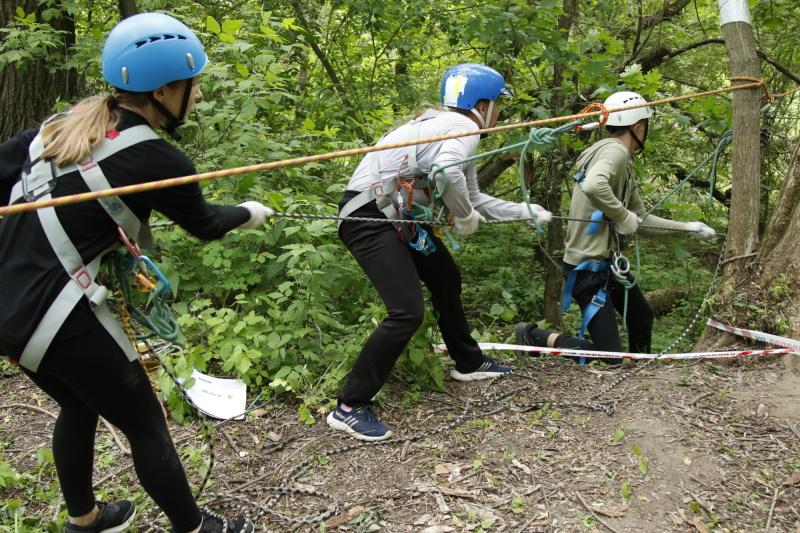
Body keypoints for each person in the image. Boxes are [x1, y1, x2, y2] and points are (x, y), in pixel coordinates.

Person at [0, 13, 268, 533]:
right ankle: (195, 527)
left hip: (6, 306)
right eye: (193, 86)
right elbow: (208, 224)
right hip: (54, 315)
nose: (197, 97)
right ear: (165, 89)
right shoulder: (158, 157)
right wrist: (250, 212)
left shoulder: (66, 123)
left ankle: (86, 519)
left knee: (79, 404)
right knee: (145, 423)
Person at [327, 63, 552, 441]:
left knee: (446, 277)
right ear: (483, 104)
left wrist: (523, 212)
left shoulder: (443, 126)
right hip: (369, 217)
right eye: (498, 104)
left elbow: (471, 193)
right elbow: (449, 176)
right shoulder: (463, 128)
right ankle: (349, 406)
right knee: (406, 311)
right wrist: (463, 215)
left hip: (395, 217)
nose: (499, 113)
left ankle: (469, 360)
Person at [515, 90, 716, 365]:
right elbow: (595, 186)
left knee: (641, 314)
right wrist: (622, 216)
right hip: (587, 271)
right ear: (637, 127)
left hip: (606, 265)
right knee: (610, 357)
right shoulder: (615, 151)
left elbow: (640, 220)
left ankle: (640, 367)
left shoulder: (613, 157)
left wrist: (687, 228)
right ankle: (533, 335)